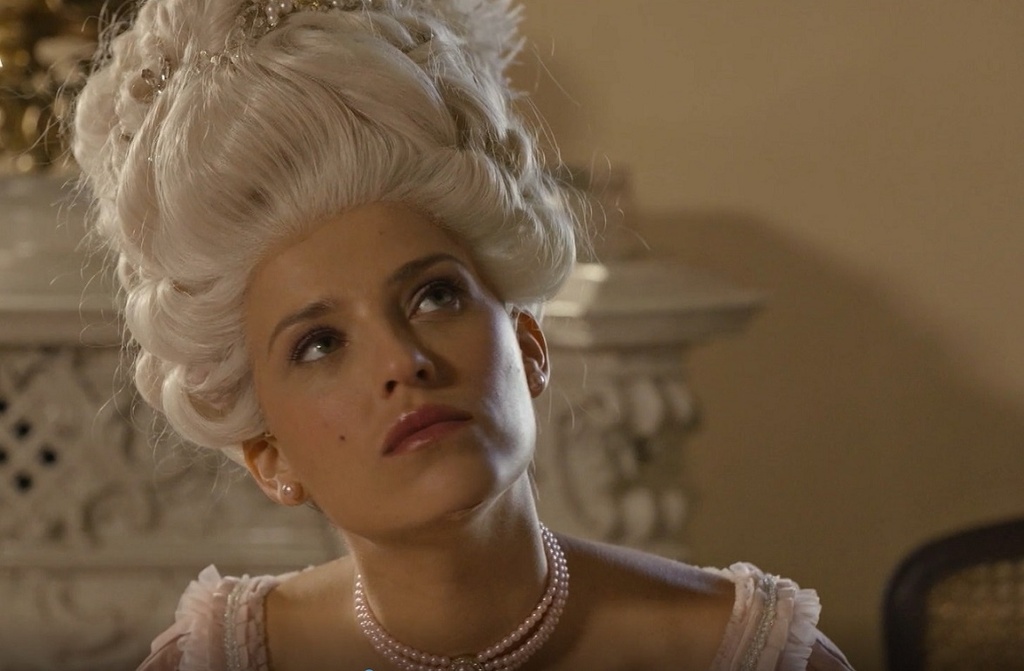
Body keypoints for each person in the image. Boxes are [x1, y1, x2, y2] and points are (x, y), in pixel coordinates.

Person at [71, 0, 855, 669]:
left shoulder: (747, 653)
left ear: (529, 345)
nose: (402, 361)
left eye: (433, 296)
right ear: (268, 455)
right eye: (320, 343)